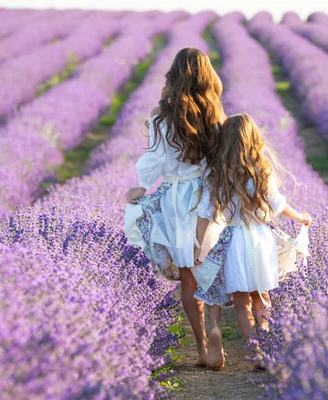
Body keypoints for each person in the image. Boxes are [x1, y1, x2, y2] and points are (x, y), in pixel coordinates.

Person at [124, 47, 225, 367]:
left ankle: (200, 349)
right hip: (207, 195)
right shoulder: (215, 113)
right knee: (210, 269)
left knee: (187, 277)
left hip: (175, 199)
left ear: (174, 74)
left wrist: (142, 184)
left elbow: (154, 158)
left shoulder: (161, 114)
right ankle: (216, 332)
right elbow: (218, 163)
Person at [193, 114, 311, 370]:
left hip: (235, 239)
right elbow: (278, 205)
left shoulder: (218, 174)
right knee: (262, 297)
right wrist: (300, 217)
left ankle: (257, 353)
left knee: (241, 303)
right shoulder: (261, 170)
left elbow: (205, 213)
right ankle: (267, 343)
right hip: (262, 238)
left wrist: (197, 245)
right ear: (253, 138)